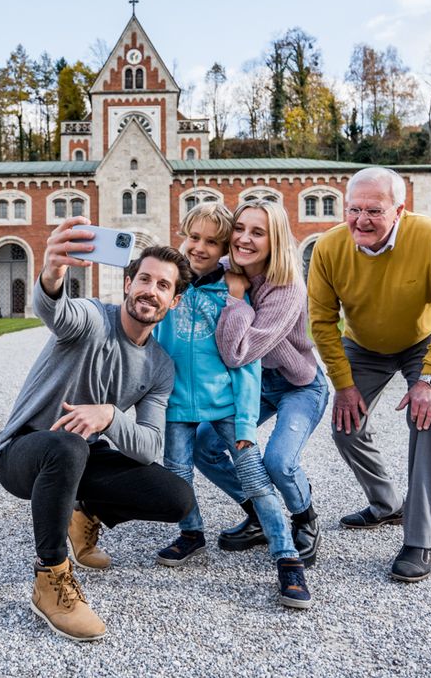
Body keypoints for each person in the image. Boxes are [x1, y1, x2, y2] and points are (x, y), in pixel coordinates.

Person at [0, 216, 196, 642]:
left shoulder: (159, 367)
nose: (150, 290)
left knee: (177, 498)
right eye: (144, 279)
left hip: (80, 452)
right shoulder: (92, 320)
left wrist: (110, 415)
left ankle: (85, 514)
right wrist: (52, 274)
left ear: (174, 301)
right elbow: (56, 310)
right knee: (67, 447)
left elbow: (148, 447)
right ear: (127, 283)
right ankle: (51, 578)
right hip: (23, 452)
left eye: (163, 286)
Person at [307, 166, 431, 582]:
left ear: (399, 210)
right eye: (353, 209)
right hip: (363, 344)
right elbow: (323, 321)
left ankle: (419, 537)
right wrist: (343, 385)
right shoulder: (329, 248)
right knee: (346, 427)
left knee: (429, 419)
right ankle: (387, 504)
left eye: (374, 211)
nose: (361, 220)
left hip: (422, 340)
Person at [152, 202, 311, 609]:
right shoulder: (171, 285)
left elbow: (246, 366)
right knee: (177, 473)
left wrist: (244, 424)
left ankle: (287, 557)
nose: (200, 248)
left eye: (211, 242)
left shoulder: (232, 293)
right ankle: (191, 533)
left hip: (225, 406)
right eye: (193, 238)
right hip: (176, 405)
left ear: (224, 250)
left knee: (257, 479)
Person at [193, 199, 330, 569]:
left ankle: (305, 518)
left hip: (297, 385)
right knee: (201, 444)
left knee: (278, 461)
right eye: (239, 229)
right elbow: (185, 269)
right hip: (253, 385)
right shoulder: (224, 268)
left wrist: (235, 297)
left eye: (258, 232)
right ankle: (257, 513)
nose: (245, 238)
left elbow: (239, 353)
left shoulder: (286, 288)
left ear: (276, 240)